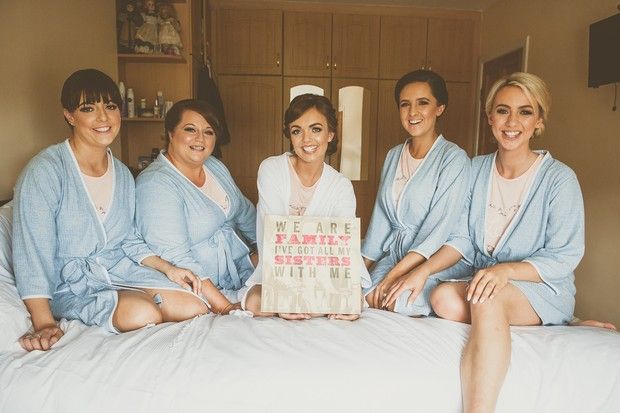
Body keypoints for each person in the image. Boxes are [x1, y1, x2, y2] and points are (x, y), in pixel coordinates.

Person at [385, 72, 586, 412]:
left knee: (485, 299)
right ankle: (556, 323)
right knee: (442, 296)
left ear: (538, 120)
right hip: (487, 279)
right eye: (503, 110)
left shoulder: (559, 179)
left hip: (540, 286)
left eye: (525, 112)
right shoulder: (476, 169)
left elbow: (565, 256)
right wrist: (422, 270)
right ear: (490, 117)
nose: (512, 122)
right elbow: (462, 237)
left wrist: (506, 272)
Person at [13, 69, 210, 352]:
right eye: (88, 108)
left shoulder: (122, 173)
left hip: (118, 269)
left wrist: (169, 269)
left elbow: (127, 237)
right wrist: (43, 321)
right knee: (143, 314)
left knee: (194, 307)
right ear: (69, 115)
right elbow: (31, 250)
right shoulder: (45, 171)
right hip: (72, 284)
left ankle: (136, 299)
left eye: (111, 106)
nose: (103, 118)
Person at [243, 94, 371, 320]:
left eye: (316, 129)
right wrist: (286, 294)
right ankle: (308, 305)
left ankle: (307, 304)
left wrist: (350, 296)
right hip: (278, 275)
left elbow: (343, 248)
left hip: (323, 278)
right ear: (290, 136)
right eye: (296, 131)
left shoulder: (341, 186)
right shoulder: (271, 169)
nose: (306, 139)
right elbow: (273, 237)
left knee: (354, 301)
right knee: (255, 301)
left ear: (330, 134)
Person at [362, 69, 470, 315]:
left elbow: (439, 228)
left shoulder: (453, 159)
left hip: (433, 257)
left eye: (423, 103)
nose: (413, 113)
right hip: (396, 254)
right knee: (366, 296)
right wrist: (358, 270)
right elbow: (381, 219)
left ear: (439, 108)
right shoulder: (393, 156)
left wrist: (395, 274)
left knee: (396, 301)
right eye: (405, 105)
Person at [134, 99, 257, 312]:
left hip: (236, 267)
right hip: (198, 281)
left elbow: (244, 212)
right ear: (170, 133)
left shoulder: (214, 166)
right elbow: (177, 257)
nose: (200, 138)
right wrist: (225, 306)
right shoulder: (156, 183)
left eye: (208, 132)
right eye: (190, 129)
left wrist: (268, 248)